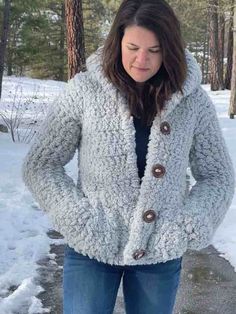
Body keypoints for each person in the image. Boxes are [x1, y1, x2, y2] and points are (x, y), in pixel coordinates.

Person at [22, 0, 235, 313]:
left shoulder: (193, 102)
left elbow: (217, 175)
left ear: (170, 49)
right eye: (133, 47)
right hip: (92, 246)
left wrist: (190, 222)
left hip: (159, 250)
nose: (141, 59)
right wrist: (76, 217)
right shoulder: (84, 91)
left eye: (155, 49)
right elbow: (41, 165)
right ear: (117, 41)